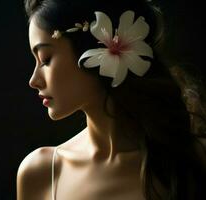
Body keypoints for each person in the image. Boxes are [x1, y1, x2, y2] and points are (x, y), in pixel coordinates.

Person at [16, 0, 206, 199]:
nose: (33, 80)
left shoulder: (195, 160)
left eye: (46, 59)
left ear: (95, 47)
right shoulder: (41, 173)